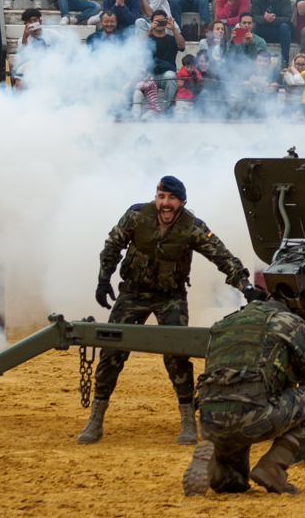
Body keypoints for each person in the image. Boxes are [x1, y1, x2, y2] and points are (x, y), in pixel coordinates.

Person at [80, 175, 250, 446]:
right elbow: (112, 245)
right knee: (111, 352)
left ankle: (187, 421)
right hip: (133, 293)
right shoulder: (136, 216)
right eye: (161, 198)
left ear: (181, 202)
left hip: (170, 297)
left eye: (172, 198)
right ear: (156, 199)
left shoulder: (192, 228)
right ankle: (95, 420)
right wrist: (103, 280)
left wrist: (246, 286)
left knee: (177, 355)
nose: (166, 203)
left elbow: (223, 257)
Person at [180, 280, 305, 497]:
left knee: (236, 480)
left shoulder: (222, 326)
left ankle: (214, 469)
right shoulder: (286, 322)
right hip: (253, 415)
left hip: (211, 422)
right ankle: (274, 466)